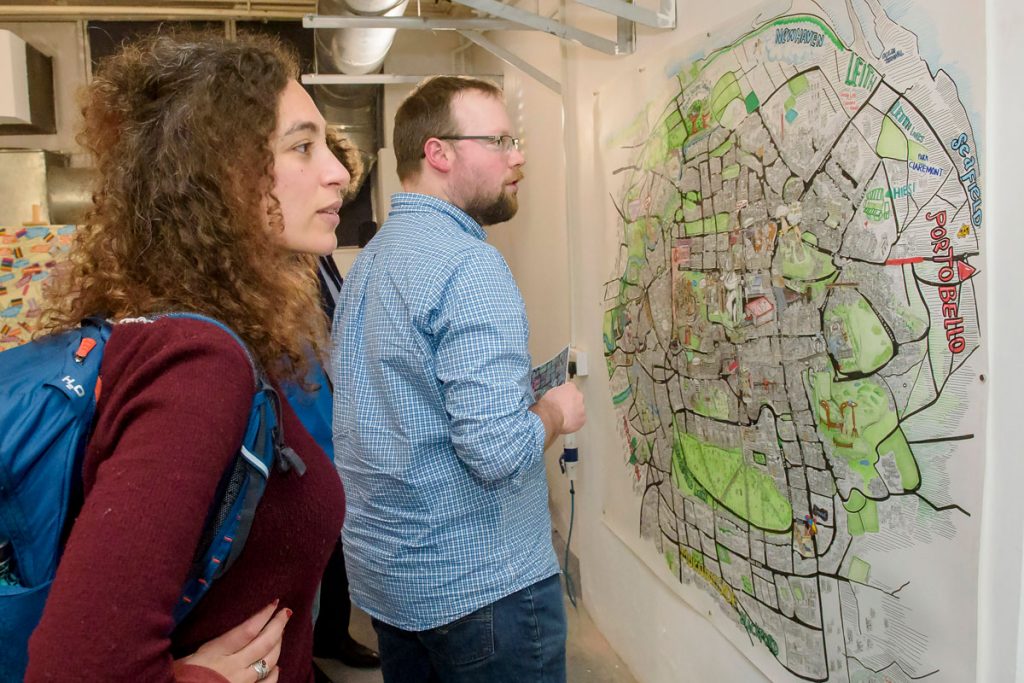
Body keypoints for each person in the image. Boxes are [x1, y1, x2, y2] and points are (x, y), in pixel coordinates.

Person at [26, 32, 348, 683]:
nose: (338, 170)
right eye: (302, 146)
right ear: (222, 174)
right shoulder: (199, 363)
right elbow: (74, 666)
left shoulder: (217, 332)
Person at [332, 75, 586, 682]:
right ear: (439, 153)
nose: (518, 155)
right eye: (500, 140)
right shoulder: (471, 267)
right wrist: (555, 412)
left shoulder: (371, 261)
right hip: (486, 595)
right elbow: (496, 453)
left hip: (395, 589)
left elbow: (395, 409)